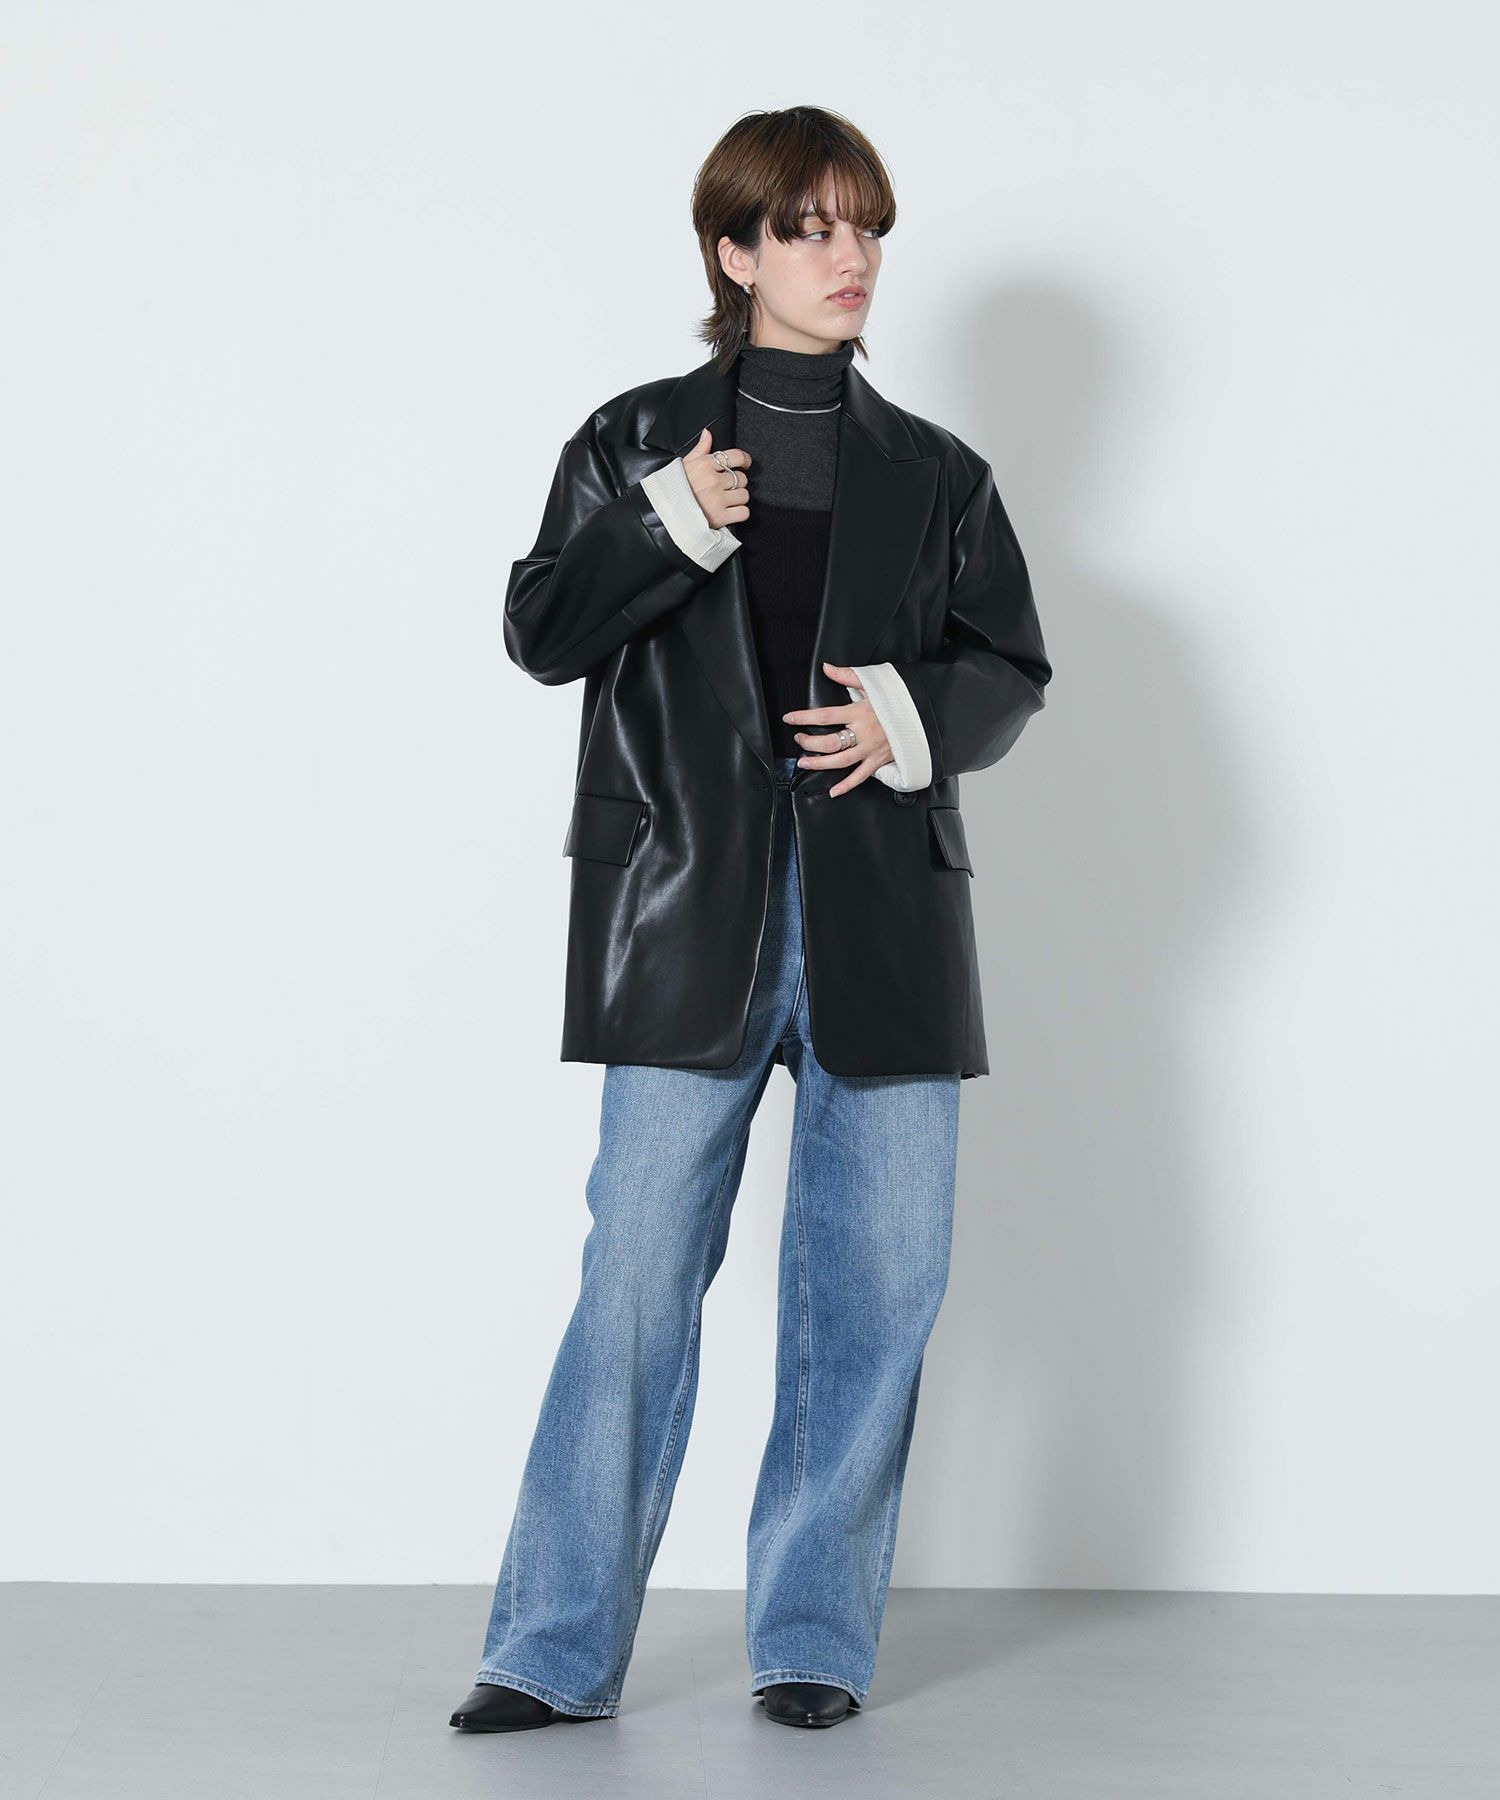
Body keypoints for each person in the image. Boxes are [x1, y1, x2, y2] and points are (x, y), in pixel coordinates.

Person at [450, 105, 1051, 1735]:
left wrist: (906, 719)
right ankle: (551, 1648)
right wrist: (664, 522)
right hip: (681, 910)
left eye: (867, 229)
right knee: (639, 1279)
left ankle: (812, 1642)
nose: (850, 258)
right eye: (809, 229)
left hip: (885, 916)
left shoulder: (938, 474)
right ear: (734, 251)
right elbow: (540, 630)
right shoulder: (632, 440)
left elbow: (1011, 665)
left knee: (878, 1291)